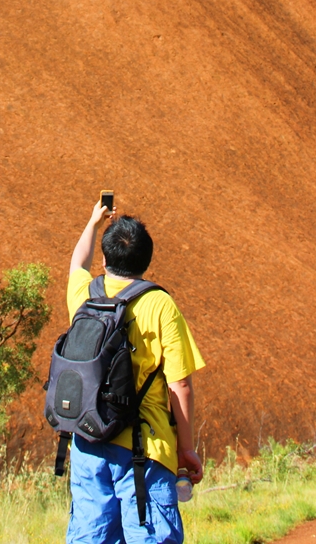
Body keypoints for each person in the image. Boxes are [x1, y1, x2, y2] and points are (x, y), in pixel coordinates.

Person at [66, 199, 205, 544]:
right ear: (146, 261)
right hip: (144, 451)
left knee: (90, 537)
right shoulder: (159, 304)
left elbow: (76, 263)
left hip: (88, 441)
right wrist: (185, 450)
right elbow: (180, 384)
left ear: (105, 258)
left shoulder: (86, 295)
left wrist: (93, 222)